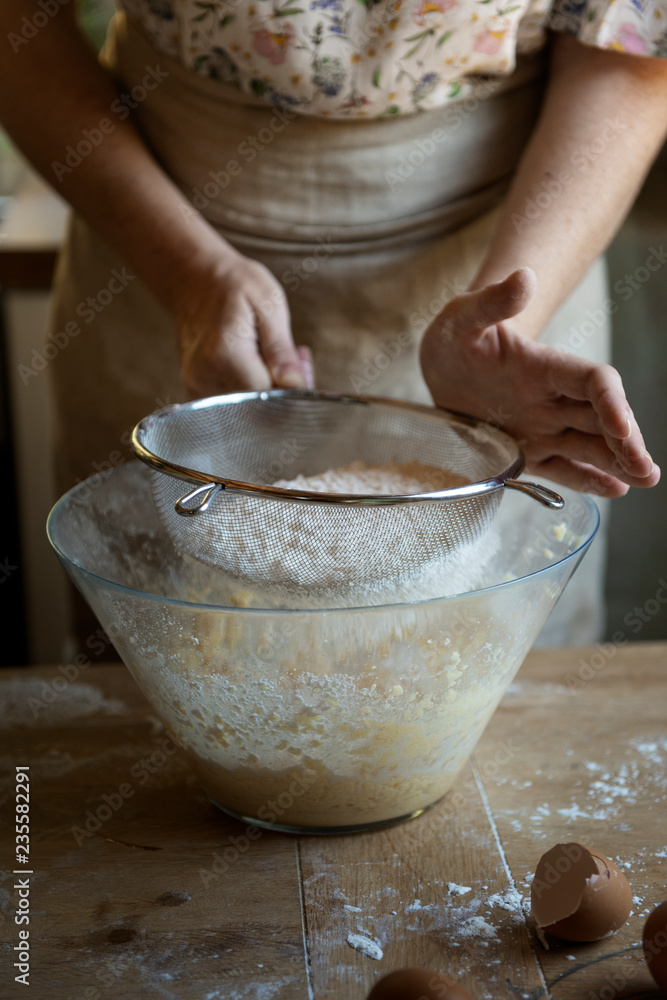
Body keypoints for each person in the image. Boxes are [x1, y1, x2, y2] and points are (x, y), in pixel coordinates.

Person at [1, 0, 666, 645]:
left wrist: (509, 313)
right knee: (174, 682)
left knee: (478, 688)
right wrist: (185, 275)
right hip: (155, 243)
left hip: (515, 252)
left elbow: (631, 44)